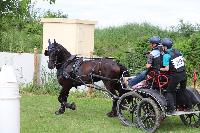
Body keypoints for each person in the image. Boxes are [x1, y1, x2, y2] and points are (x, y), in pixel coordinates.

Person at [160, 38, 192, 113]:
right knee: (183, 90)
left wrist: (160, 68)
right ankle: (190, 107)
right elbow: (184, 60)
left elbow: (166, 69)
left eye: (162, 46)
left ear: (165, 47)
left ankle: (172, 109)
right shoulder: (178, 51)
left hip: (175, 76)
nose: (162, 47)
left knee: (169, 91)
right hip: (183, 74)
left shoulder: (166, 56)